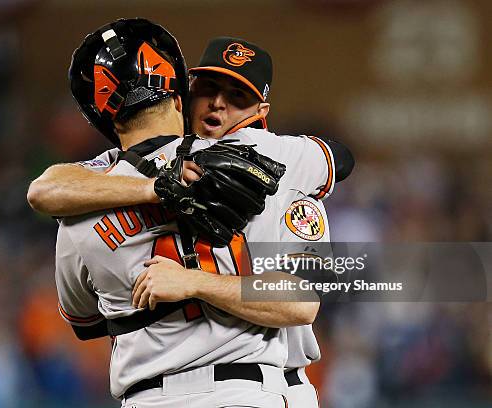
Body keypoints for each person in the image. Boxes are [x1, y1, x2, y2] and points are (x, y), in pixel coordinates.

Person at [43, 19, 353, 407]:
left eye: (237, 96)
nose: (219, 104)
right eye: (208, 89)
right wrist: (157, 189)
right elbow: (337, 160)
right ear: (181, 94)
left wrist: (189, 281)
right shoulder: (267, 161)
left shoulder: (80, 198)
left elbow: (84, 320)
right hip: (248, 389)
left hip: (154, 396)